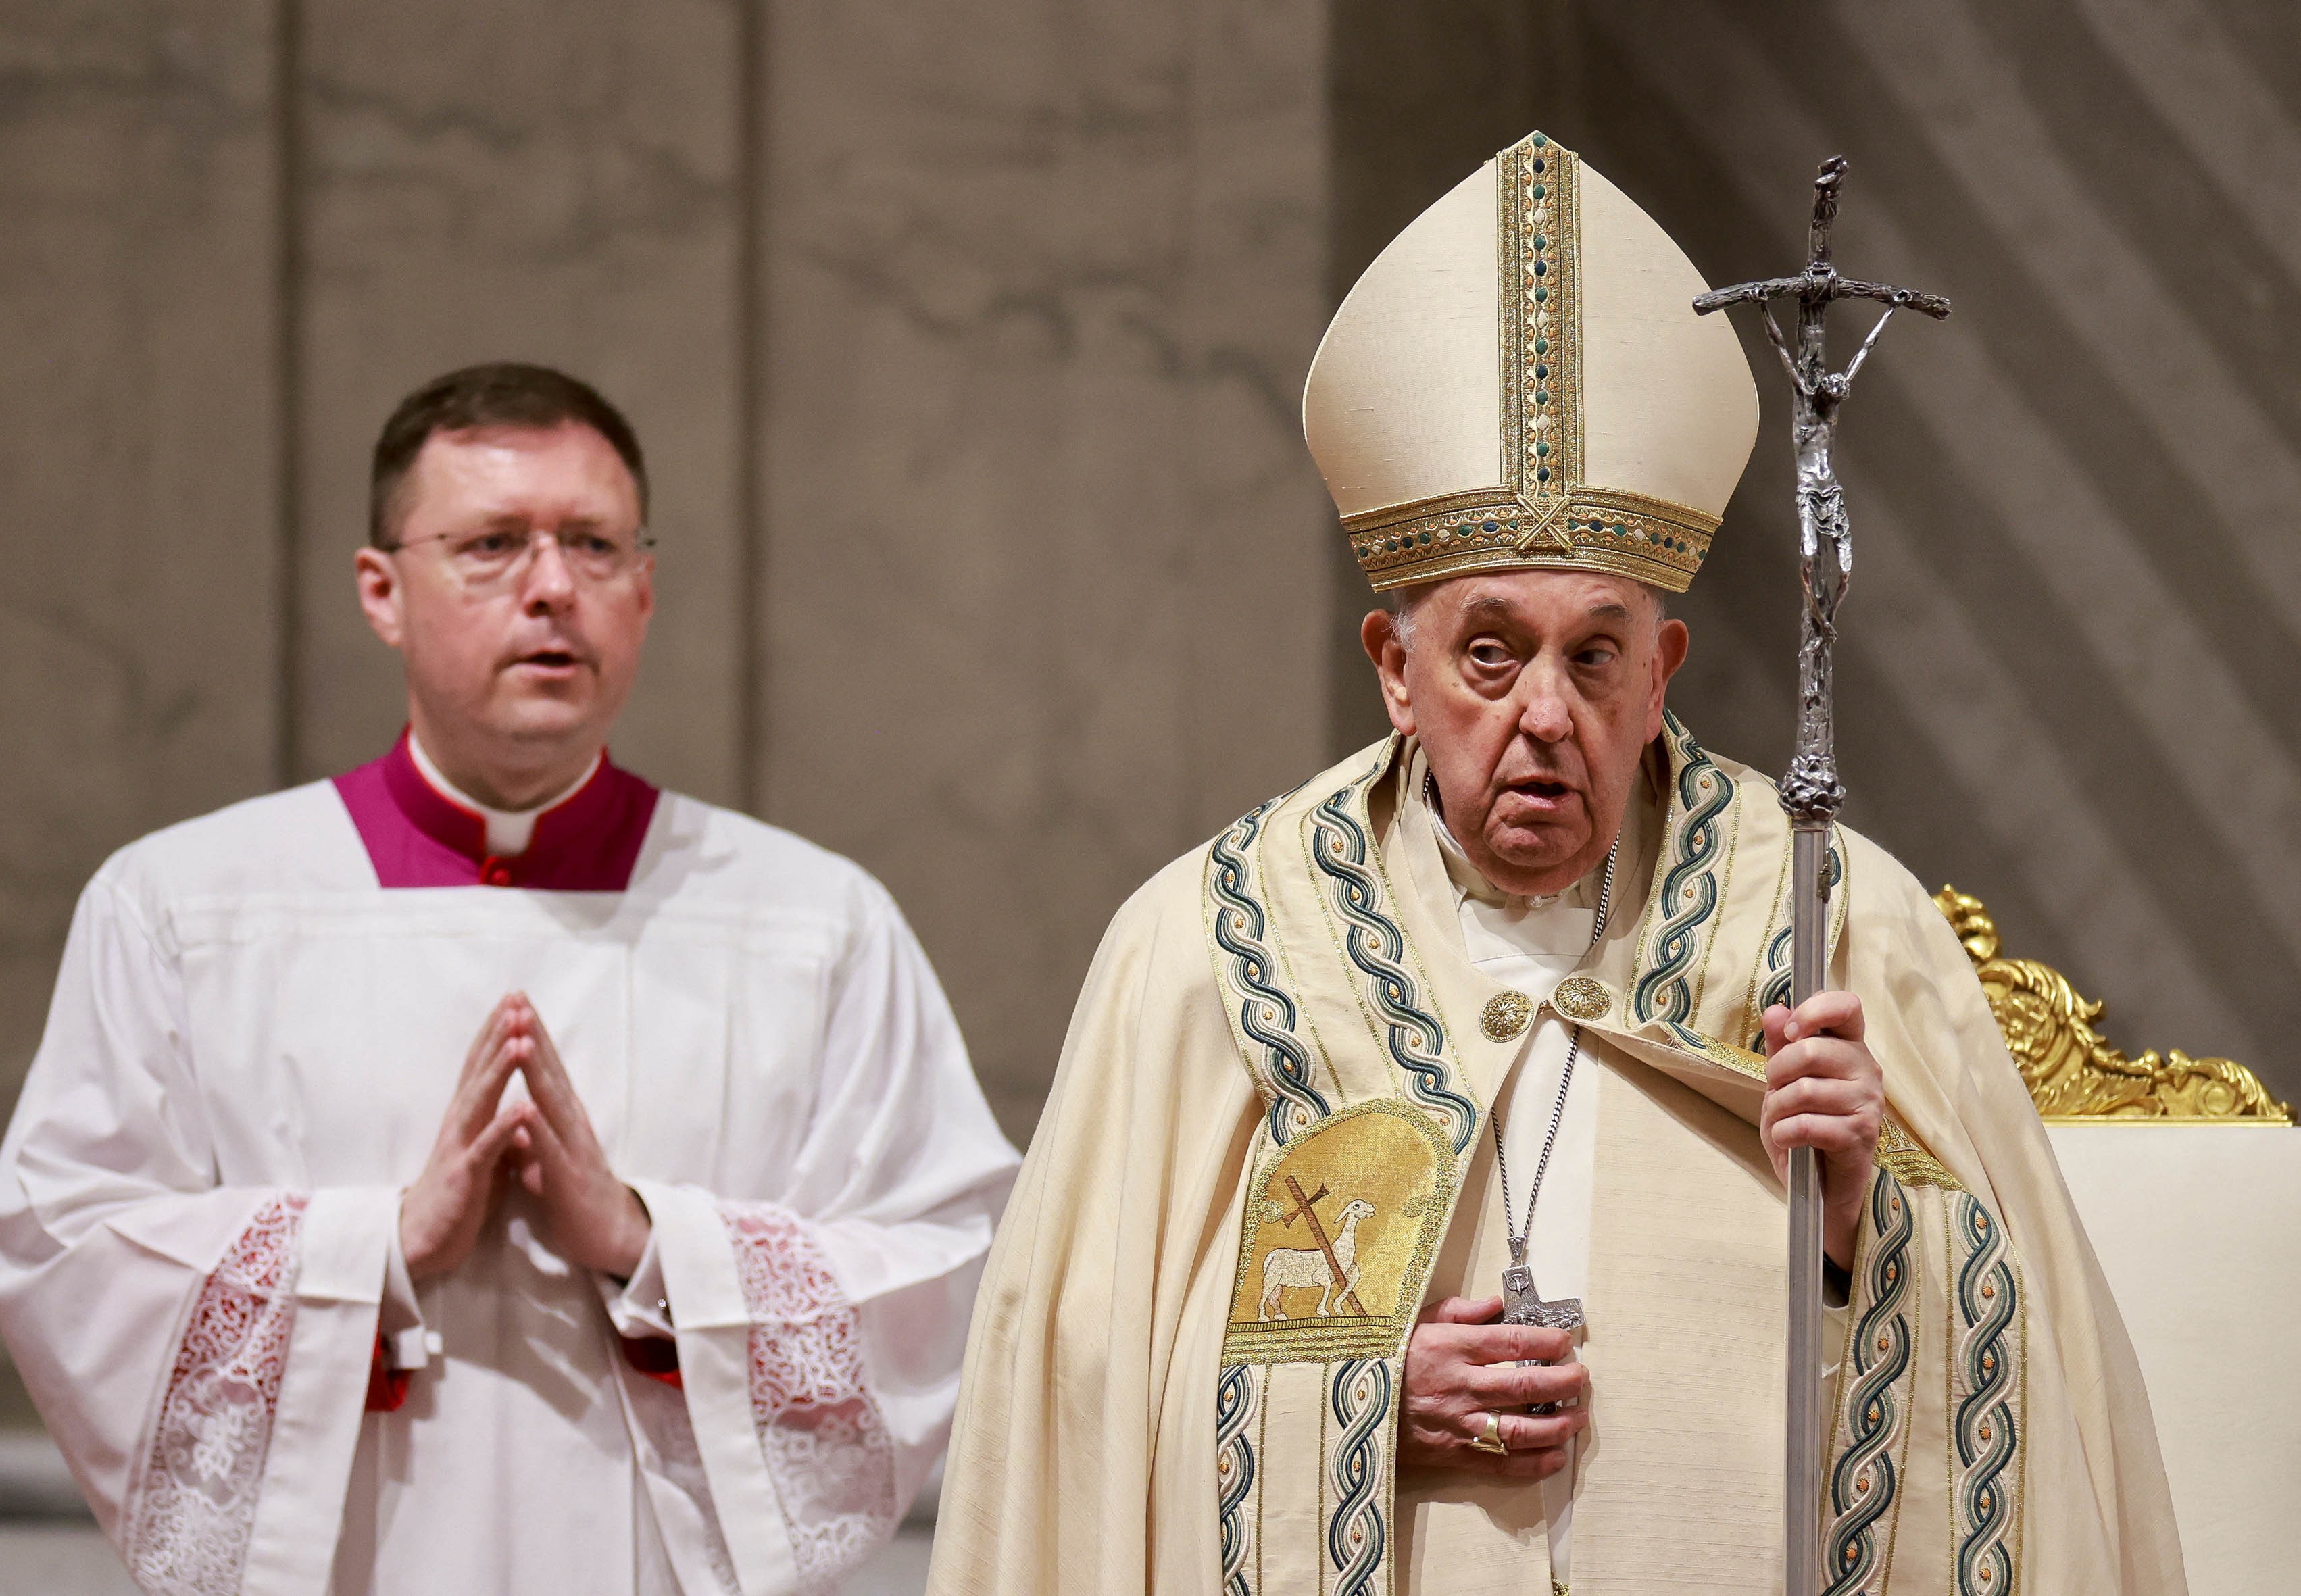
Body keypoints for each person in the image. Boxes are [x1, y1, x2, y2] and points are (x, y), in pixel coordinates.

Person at [930, 136, 2182, 1595]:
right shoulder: (1216, 942)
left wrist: (1861, 1213)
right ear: (1391, 669)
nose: (1543, 713)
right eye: (1486, 652)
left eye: (1592, 655)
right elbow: (1073, 1385)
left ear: (1660, 673)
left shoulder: (1831, 917)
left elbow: (2033, 1379)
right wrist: (1359, 1398)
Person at [0, 362, 1020, 1596]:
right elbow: (63, 1249)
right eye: (489, 545)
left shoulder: (812, 922)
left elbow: (955, 1266)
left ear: (645, 586)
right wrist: (376, 1247)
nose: (550, 588)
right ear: (382, 590)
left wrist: (651, 1245)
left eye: (592, 543)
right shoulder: (183, 908)